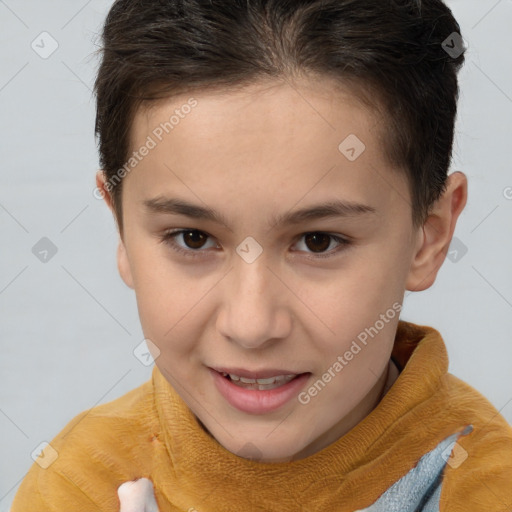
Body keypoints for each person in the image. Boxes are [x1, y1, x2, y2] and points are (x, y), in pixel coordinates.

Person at [11, 0, 512, 510]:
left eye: (318, 241)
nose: (251, 325)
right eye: (193, 238)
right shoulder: (76, 484)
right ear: (121, 228)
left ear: (428, 237)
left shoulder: (489, 489)